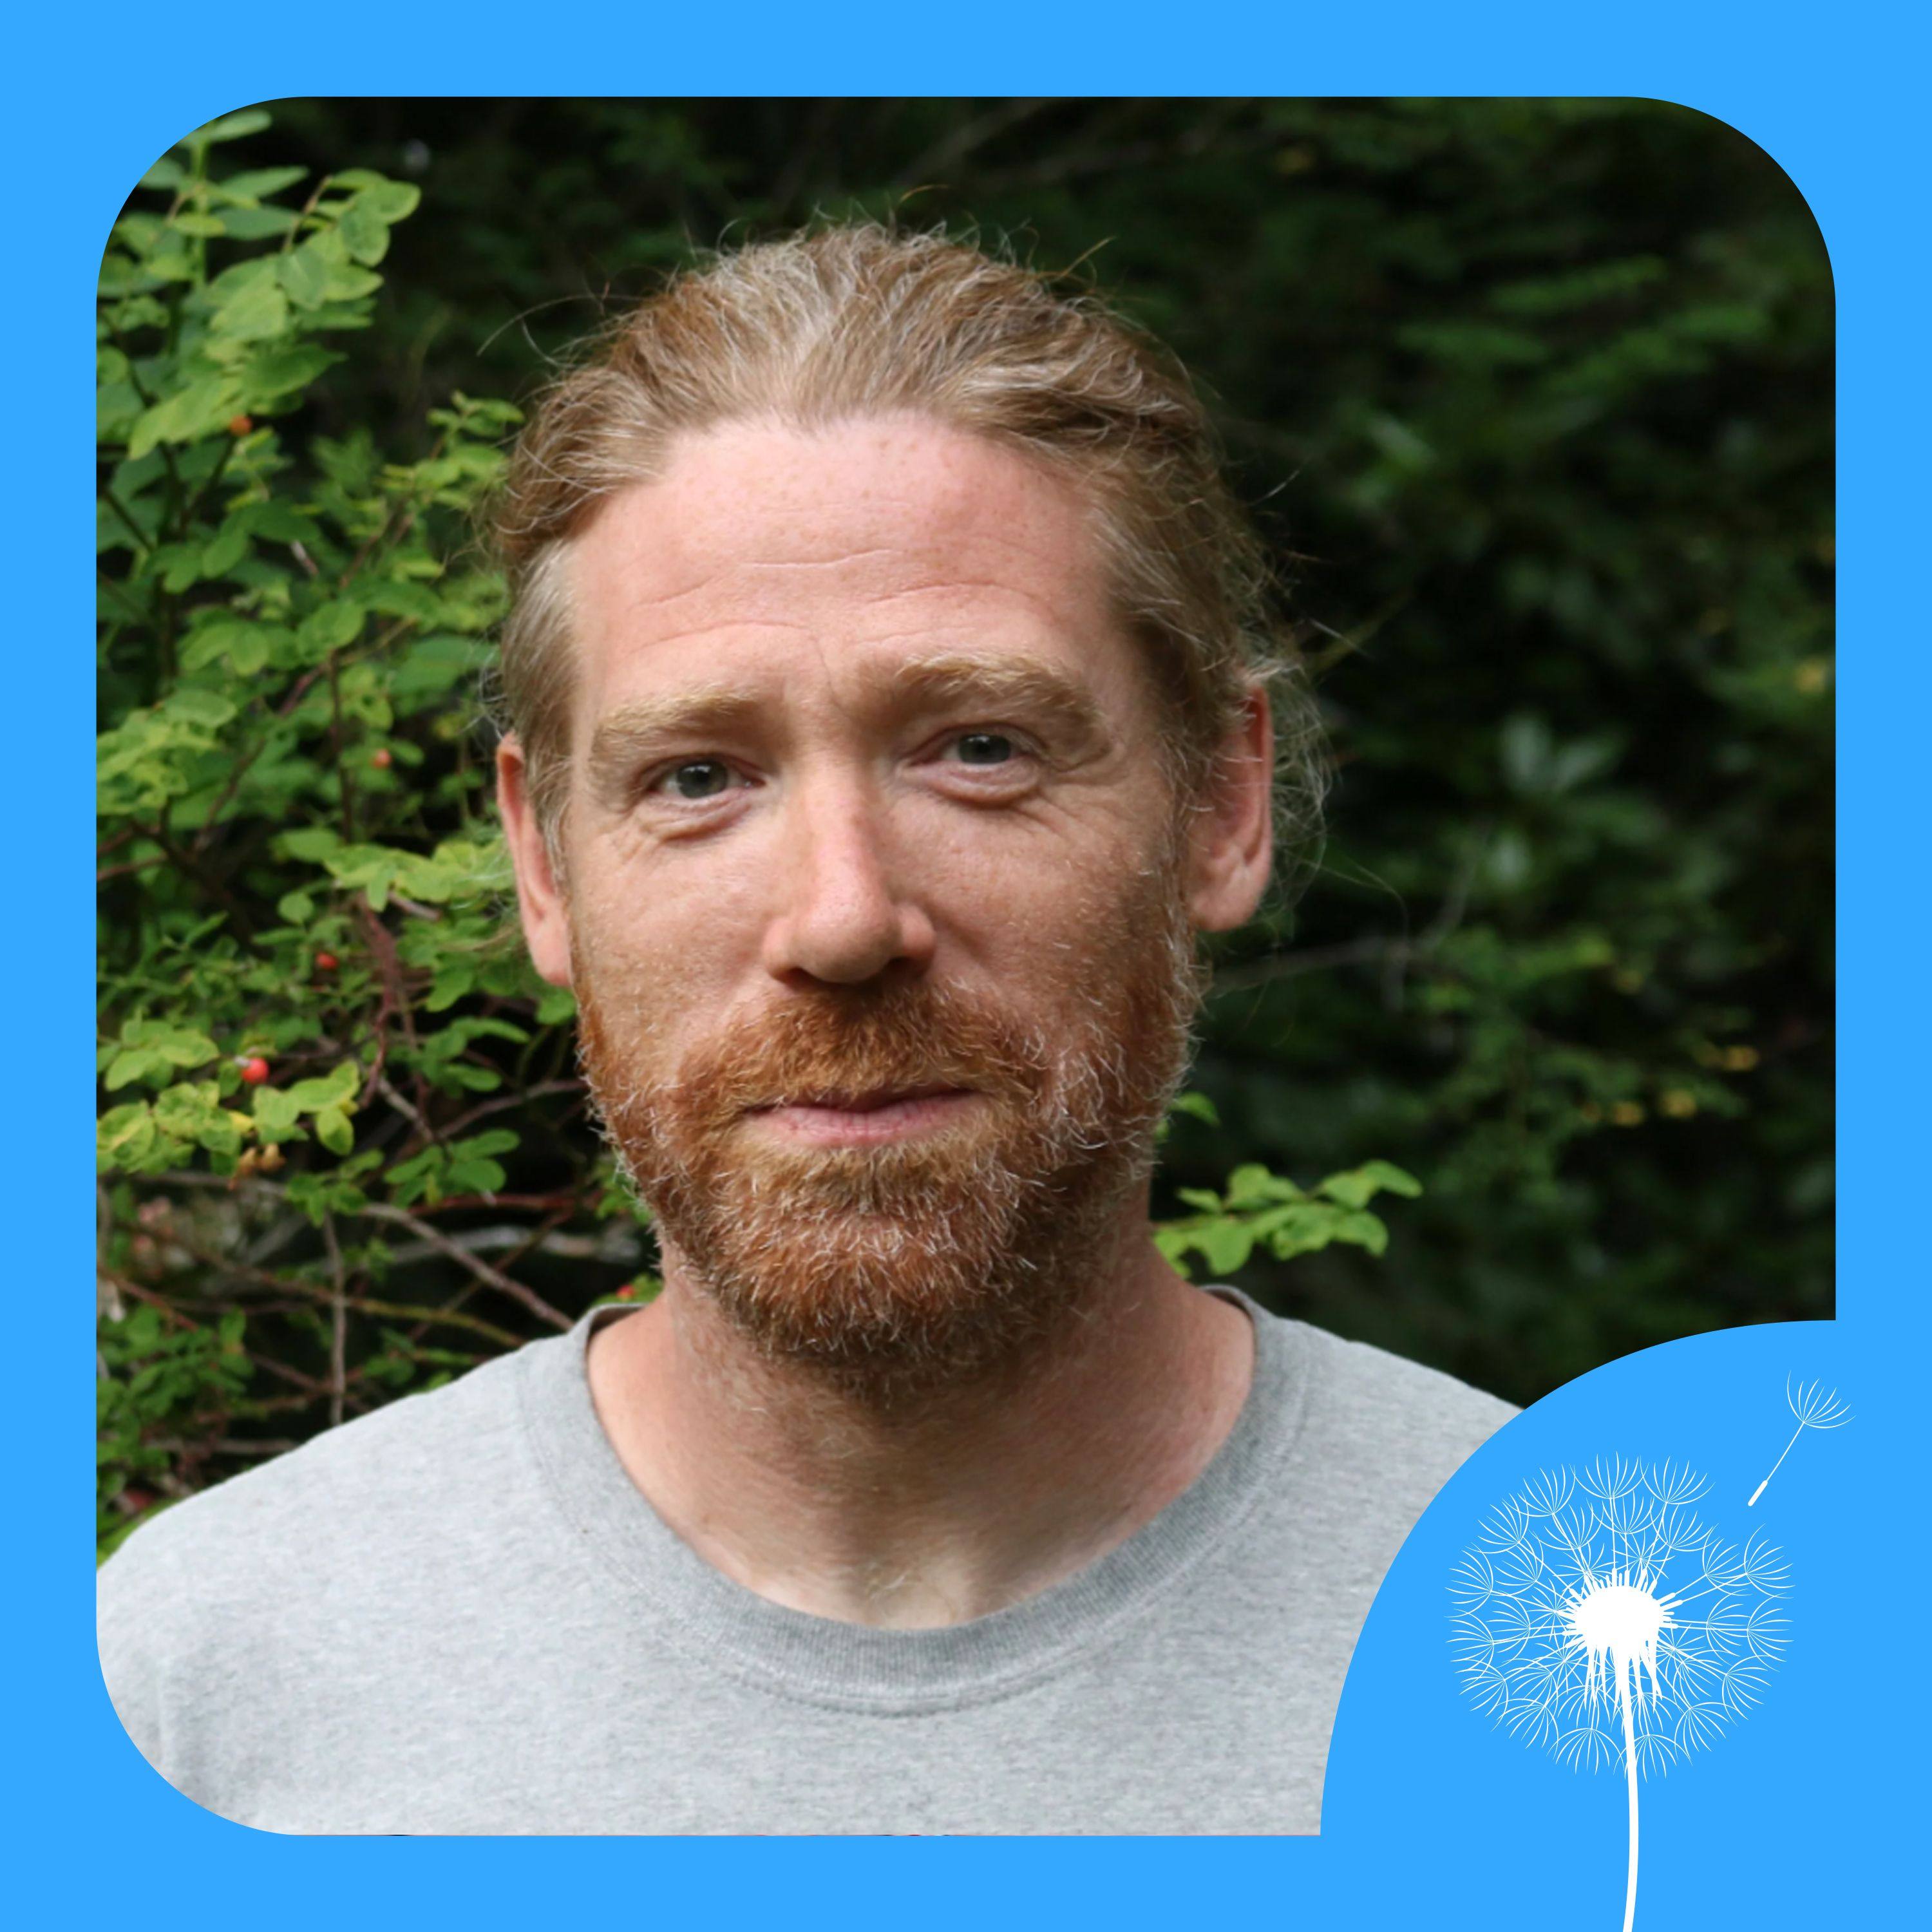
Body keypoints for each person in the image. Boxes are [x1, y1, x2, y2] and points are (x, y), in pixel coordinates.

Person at [98, 224, 1514, 1835]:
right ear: (544, 865)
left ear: (1223, 803)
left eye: (980, 747)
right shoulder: (193, 1698)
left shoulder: (1589, 1653)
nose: (842, 920)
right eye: (699, 777)